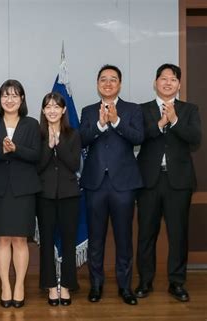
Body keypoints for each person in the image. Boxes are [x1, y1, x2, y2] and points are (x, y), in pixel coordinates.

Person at [135, 64, 202, 302]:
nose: (167, 83)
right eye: (163, 79)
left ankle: (177, 283)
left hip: (179, 182)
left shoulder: (189, 109)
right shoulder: (141, 110)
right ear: (155, 82)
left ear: (179, 84)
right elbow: (138, 136)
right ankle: (145, 281)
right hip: (148, 181)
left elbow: (195, 139)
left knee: (178, 235)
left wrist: (174, 120)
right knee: (146, 234)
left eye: (172, 79)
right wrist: (160, 124)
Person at [79, 65, 144, 305]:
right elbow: (80, 140)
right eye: (103, 79)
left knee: (124, 238)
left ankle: (125, 287)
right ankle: (96, 285)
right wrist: (99, 125)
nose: (108, 83)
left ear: (120, 83)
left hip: (124, 185)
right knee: (96, 239)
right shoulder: (87, 111)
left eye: (113, 79)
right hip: (95, 183)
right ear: (97, 84)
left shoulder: (132, 109)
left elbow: (139, 138)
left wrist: (116, 121)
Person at [0, 79, 40, 308]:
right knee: (2, 239)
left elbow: (37, 155)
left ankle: (19, 286)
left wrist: (16, 149)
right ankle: (5, 285)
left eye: (14, 95)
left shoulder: (32, 124)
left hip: (24, 189)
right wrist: (1, 150)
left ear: (22, 99)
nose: (9, 100)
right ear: (0, 100)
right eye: (5, 95)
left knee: (19, 240)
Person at [37, 92, 81, 307]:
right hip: (44, 197)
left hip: (69, 196)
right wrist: (49, 145)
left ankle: (66, 286)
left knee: (68, 243)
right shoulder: (37, 134)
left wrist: (59, 144)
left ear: (64, 110)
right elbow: (38, 166)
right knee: (46, 242)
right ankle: (50, 287)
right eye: (48, 106)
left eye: (56, 106)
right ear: (43, 111)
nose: (52, 110)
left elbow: (74, 165)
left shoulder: (73, 134)